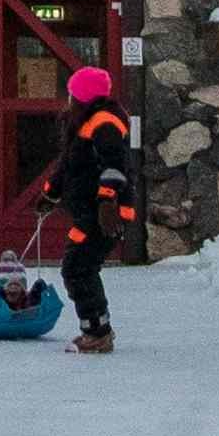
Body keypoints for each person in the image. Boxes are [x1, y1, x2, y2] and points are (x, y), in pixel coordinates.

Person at [43, 59, 142, 353]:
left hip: (102, 215)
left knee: (78, 268)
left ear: (83, 96)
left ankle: (98, 332)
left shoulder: (105, 122)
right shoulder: (85, 123)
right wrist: (49, 194)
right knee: (78, 267)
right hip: (89, 212)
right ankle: (96, 329)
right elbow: (69, 166)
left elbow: (115, 164)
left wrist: (107, 200)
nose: (68, 99)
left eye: (72, 94)